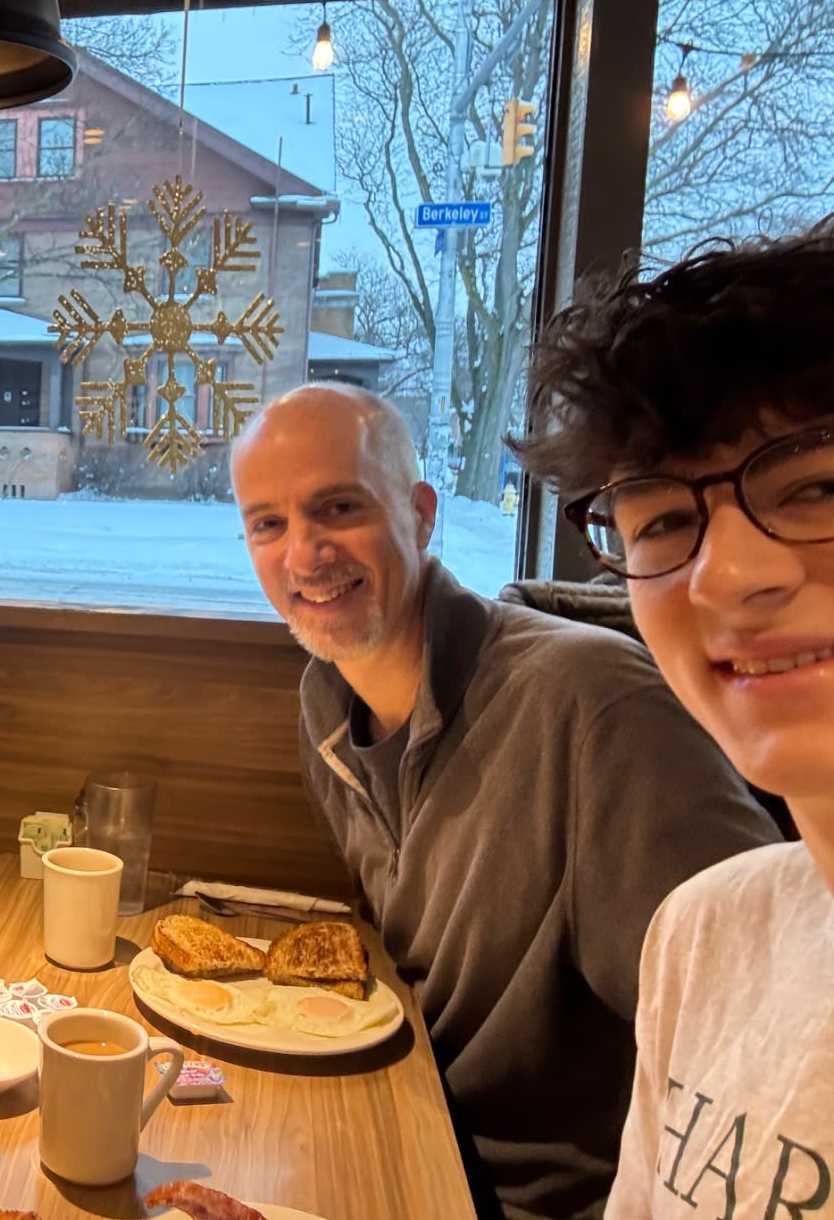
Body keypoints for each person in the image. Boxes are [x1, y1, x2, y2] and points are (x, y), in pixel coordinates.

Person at [229, 382, 779, 1220]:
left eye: (338, 507)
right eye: (268, 523)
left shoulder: (592, 707)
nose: (303, 555)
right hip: (407, 1142)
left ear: (419, 514)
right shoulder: (325, 708)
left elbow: (764, 1039)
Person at [512, 223, 833, 1219]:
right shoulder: (705, 931)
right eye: (662, 522)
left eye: (817, 487)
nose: (731, 576)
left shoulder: (584, 702)